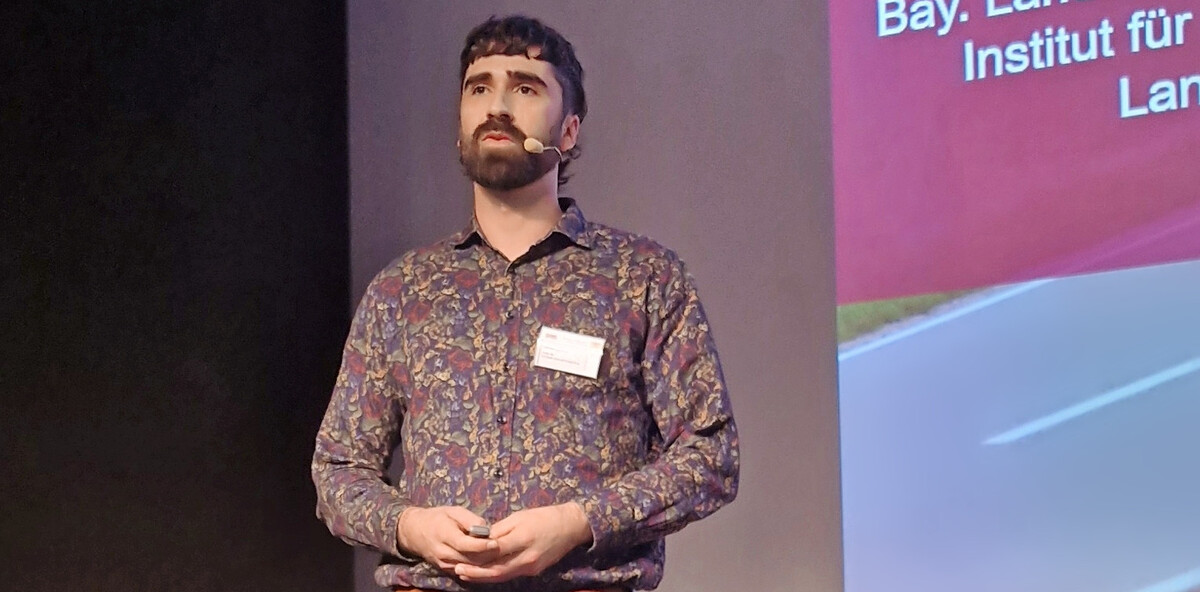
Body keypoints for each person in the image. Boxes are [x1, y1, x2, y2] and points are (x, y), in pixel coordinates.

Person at [312, 15, 739, 592]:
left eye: (526, 88)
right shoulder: (403, 290)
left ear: (569, 131)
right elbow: (338, 470)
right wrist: (410, 527)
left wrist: (578, 523)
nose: (497, 106)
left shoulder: (642, 278)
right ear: (460, 125)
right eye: (479, 88)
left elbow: (711, 454)